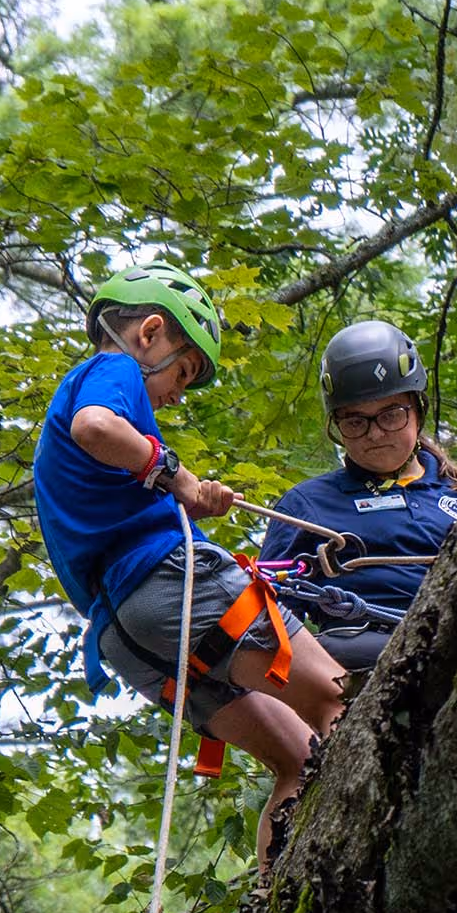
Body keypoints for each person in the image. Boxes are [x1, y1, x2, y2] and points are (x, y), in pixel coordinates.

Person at [32, 262, 347, 866]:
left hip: (129, 636)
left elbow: (112, 481)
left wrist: (194, 497)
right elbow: (96, 427)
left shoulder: (86, 424)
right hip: (169, 585)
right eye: (184, 371)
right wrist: (179, 476)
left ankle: (275, 908)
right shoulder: (112, 368)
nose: (178, 392)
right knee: (339, 699)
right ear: (149, 332)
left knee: (300, 760)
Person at [260, 320, 457, 675]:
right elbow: (268, 615)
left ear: (418, 409)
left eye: (391, 415)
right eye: (356, 422)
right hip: (360, 650)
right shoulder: (307, 506)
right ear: (336, 426)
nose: (375, 434)